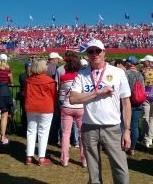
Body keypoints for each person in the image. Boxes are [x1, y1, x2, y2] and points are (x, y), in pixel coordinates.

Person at [70, 39, 132, 184]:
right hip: (88, 127)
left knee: (120, 168)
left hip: (112, 127)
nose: (94, 54)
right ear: (87, 54)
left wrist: (127, 130)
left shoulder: (117, 73)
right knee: (93, 171)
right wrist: (98, 92)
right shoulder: (82, 74)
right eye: (91, 51)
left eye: (98, 51)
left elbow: (126, 102)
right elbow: (73, 98)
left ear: (104, 52)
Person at [25, 59, 57, 166]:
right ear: (43, 68)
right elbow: (54, 96)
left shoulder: (28, 81)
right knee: (43, 132)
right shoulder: (50, 81)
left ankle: (29, 156)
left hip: (31, 107)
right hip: (46, 107)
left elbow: (26, 94)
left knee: (31, 131)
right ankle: (41, 158)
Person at [59, 52, 86, 167]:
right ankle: (84, 160)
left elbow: (62, 91)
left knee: (65, 134)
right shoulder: (83, 77)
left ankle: (65, 159)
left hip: (67, 106)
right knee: (82, 134)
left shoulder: (63, 77)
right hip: (80, 107)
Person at [124, 56, 145, 156]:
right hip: (139, 102)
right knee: (135, 125)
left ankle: (124, 145)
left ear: (129, 64)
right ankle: (132, 148)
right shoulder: (140, 74)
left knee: (124, 125)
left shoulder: (126, 73)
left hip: (128, 101)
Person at [18, 60, 32, 136]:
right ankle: (26, 128)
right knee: (28, 112)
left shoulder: (22, 75)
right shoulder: (31, 76)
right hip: (28, 95)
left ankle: (24, 128)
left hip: (24, 95)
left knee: (24, 112)